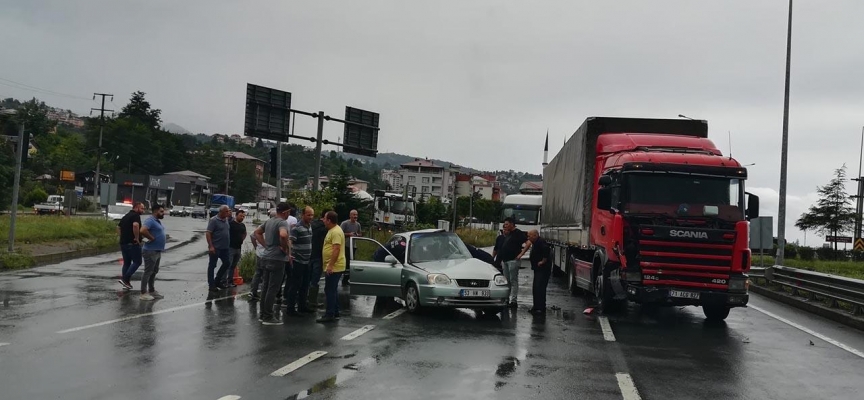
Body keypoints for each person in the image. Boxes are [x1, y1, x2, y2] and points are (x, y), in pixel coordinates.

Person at [253, 202, 292, 325]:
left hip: (266, 257)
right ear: (285, 212)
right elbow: (283, 235)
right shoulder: (282, 222)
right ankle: (268, 316)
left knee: (265, 287)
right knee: (273, 288)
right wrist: (284, 248)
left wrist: (266, 245)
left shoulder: (269, 221)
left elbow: (256, 232)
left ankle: (262, 314)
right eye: (289, 212)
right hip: (277, 259)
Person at [285, 206, 315, 316]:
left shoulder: (310, 226)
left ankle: (302, 306)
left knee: (305, 285)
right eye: (308, 215)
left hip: (307, 261)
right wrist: (289, 254)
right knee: (295, 285)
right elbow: (290, 241)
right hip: (298, 261)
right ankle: (290, 308)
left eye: (312, 215)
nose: (311, 217)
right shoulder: (297, 228)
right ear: (303, 215)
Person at [317, 211, 346, 323]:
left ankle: (329, 314)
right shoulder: (332, 230)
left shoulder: (336, 232)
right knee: (332, 290)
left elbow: (336, 249)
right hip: (333, 266)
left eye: (324, 218)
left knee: (329, 290)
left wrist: (330, 265)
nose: (323, 220)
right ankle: (335, 311)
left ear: (329, 220)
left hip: (335, 266)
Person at [517, 230, 551, 314]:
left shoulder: (540, 242)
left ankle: (540, 308)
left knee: (540, 288)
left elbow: (546, 250)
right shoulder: (535, 243)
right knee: (536, 288)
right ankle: (536, 306)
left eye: (529, 236)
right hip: (537, 269)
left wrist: (543, 261)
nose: (528, 238)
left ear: (535, 235)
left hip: (543, 269)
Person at [497, 217, 527, 308]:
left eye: (506, 224)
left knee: (513, 280)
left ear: (512, 224)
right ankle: (506, 299)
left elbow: (528, 243)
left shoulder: (518, 233)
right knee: (507, 281)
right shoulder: (508, 233)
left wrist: (521, 254)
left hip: (513, 260)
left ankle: (514, 301)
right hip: (505, 260)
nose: (505, 226)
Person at [139, 204, 166, 301]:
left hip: (157, 251)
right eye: (161, 211)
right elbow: (142, 230)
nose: (163, 213)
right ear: (155, 211)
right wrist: (151, 238)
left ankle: (151, 290)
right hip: (150, 250)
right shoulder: (150, 220)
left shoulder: (157, 221)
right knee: (148, 271)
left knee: (154, 271)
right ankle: (143, 293)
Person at [248, 208, 276, 302]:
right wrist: (265, 246)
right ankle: (265, 294)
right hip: (267, 254)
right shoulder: (272, 226)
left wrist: (256, 246)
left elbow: (252, 235)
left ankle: (253, 292)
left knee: (258, 273)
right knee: (266, 275)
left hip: (259, 253)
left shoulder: (263, 225)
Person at [117, 202, 145, 290]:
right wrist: (136, 238)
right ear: (136, 207)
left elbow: (118, 227)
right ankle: (125, 279)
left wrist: (122, 236)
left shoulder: (126, 216)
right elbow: (135, 225)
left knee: (127, 263)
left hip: (123, 243)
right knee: (137, 262)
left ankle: (126, 283)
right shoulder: (135, 216)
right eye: (142, 208)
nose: (143, 211)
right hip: (133, 243)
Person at [206, 205, 232, 291]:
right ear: (221, 212)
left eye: (228, 211)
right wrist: (211, 246)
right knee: (212, 265)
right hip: (216, 247)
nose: (228, 213)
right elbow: (208, 233)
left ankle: (217, 280)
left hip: (225, 248)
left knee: (227, 263)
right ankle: (211, 284)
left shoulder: (226, 220)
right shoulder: (214, 220)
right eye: (226, 211)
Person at [307, 209, 329, 309]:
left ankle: (303, 299)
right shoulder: (325, 229)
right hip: (319, 256)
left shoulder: (312, 224)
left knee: (307, 278)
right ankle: (312, 301)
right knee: (315, 280)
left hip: (309, 254)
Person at [225, 209, 247, 288]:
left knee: (233, 266)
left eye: (243, 216)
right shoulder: (230, 224)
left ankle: (230, 281)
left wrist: (241, 240)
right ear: (236, 215)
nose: (242, 218)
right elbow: (226, 234)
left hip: (238, 248)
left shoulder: (242, 225)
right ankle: (223, 281)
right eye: (241, 216)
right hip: (231, 247)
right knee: (228, 265)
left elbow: (244, 233)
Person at [340, 209, 361, 283]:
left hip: (353, 246)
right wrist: (349, 234)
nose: (355, 216)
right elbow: (339, 233)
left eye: (356, 215)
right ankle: (343, 279)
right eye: (354, 215)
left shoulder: (358, 224)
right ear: (350, 215)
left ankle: (347, 279)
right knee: (345, 263)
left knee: (351, 263)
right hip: (345, 246)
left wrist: (357, 235)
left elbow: (360, 234)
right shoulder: (345, 223)